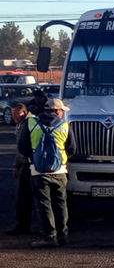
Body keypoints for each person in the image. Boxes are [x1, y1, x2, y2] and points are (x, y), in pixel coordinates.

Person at [18, 98, 75, 248]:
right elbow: (72, 148)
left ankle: (50, 236)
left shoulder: (31, 124)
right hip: (60, 171)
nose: (62, 113)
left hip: (38, 171)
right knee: (61, 203)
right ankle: (63, 235)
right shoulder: (65, 126)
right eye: (61, 110)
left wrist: (34, 158)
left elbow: (22, 146)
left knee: (44, 204)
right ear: (57, 111)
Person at [6, 103, 34, 236]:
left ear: (24, 112)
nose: (14, 117)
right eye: (12, 114)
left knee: (24, 196)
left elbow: (22, 148)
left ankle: (23, 225)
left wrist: (18, 165)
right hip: (27, 163)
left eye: (16, 114)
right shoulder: (22, 123)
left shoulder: (30, 124)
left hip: (29, 164)